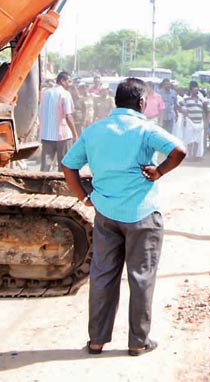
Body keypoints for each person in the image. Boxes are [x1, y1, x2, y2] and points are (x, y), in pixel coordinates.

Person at [61, 77, 186, 357]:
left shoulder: (94, 131)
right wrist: (159, 171)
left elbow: (69, 166)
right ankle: (138, 342)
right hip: (142, 214)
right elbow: (179, 150)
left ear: (116, 101)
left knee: (103, 275)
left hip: (105, 214)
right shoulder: (145, 130)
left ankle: (96, 341)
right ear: (142, 103)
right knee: (141, 278)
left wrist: (84, 197)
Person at [39, 71, 78, 171]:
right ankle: (61, 186)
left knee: (45, 167)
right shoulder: (65, 94)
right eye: (69, 81)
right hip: (63, 136)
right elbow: (68, 116)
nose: (71, 84)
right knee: (64, 167)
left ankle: (43, 186)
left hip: (47, 135)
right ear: (62, 81)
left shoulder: (45, 92)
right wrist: (75, 134)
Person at [177, 81, 207, 161]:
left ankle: (194, 156)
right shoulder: (186, 99)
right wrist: (183, 111)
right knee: (190, 139)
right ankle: (189, 155)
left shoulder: (201, 99)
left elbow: (205, 109)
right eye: (194, 90)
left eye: (197, 90)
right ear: (190, 90)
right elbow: (179, 105)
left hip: (199, 121)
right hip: (190, 121)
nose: (196, 91)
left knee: (197, 139)